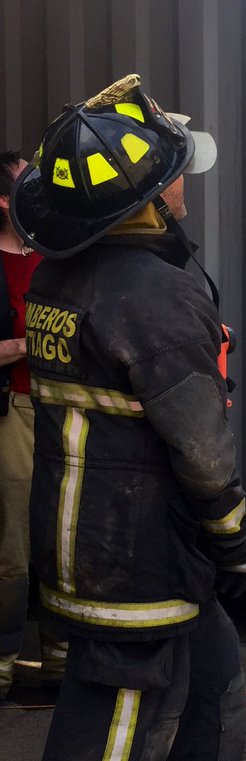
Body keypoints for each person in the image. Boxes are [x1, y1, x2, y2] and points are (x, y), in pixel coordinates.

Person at [9, 75, 246, 761]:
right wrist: (230, 532)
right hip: (129, 546)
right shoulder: (152, 294)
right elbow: (199, 440)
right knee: (118, 705)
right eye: (173, 172)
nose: (183, 182)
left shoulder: (67, 271)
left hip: (92, 526)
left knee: (204, 660)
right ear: (143, 197)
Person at [0, 149, 67, 700]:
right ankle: (2, 668)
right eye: (28, 182)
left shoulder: (54, 256)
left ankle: (61, 667)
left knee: (60, 542)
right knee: (15, 548)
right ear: (4, 200)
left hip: (62, 411)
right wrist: (33, 342)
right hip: (16, 413)